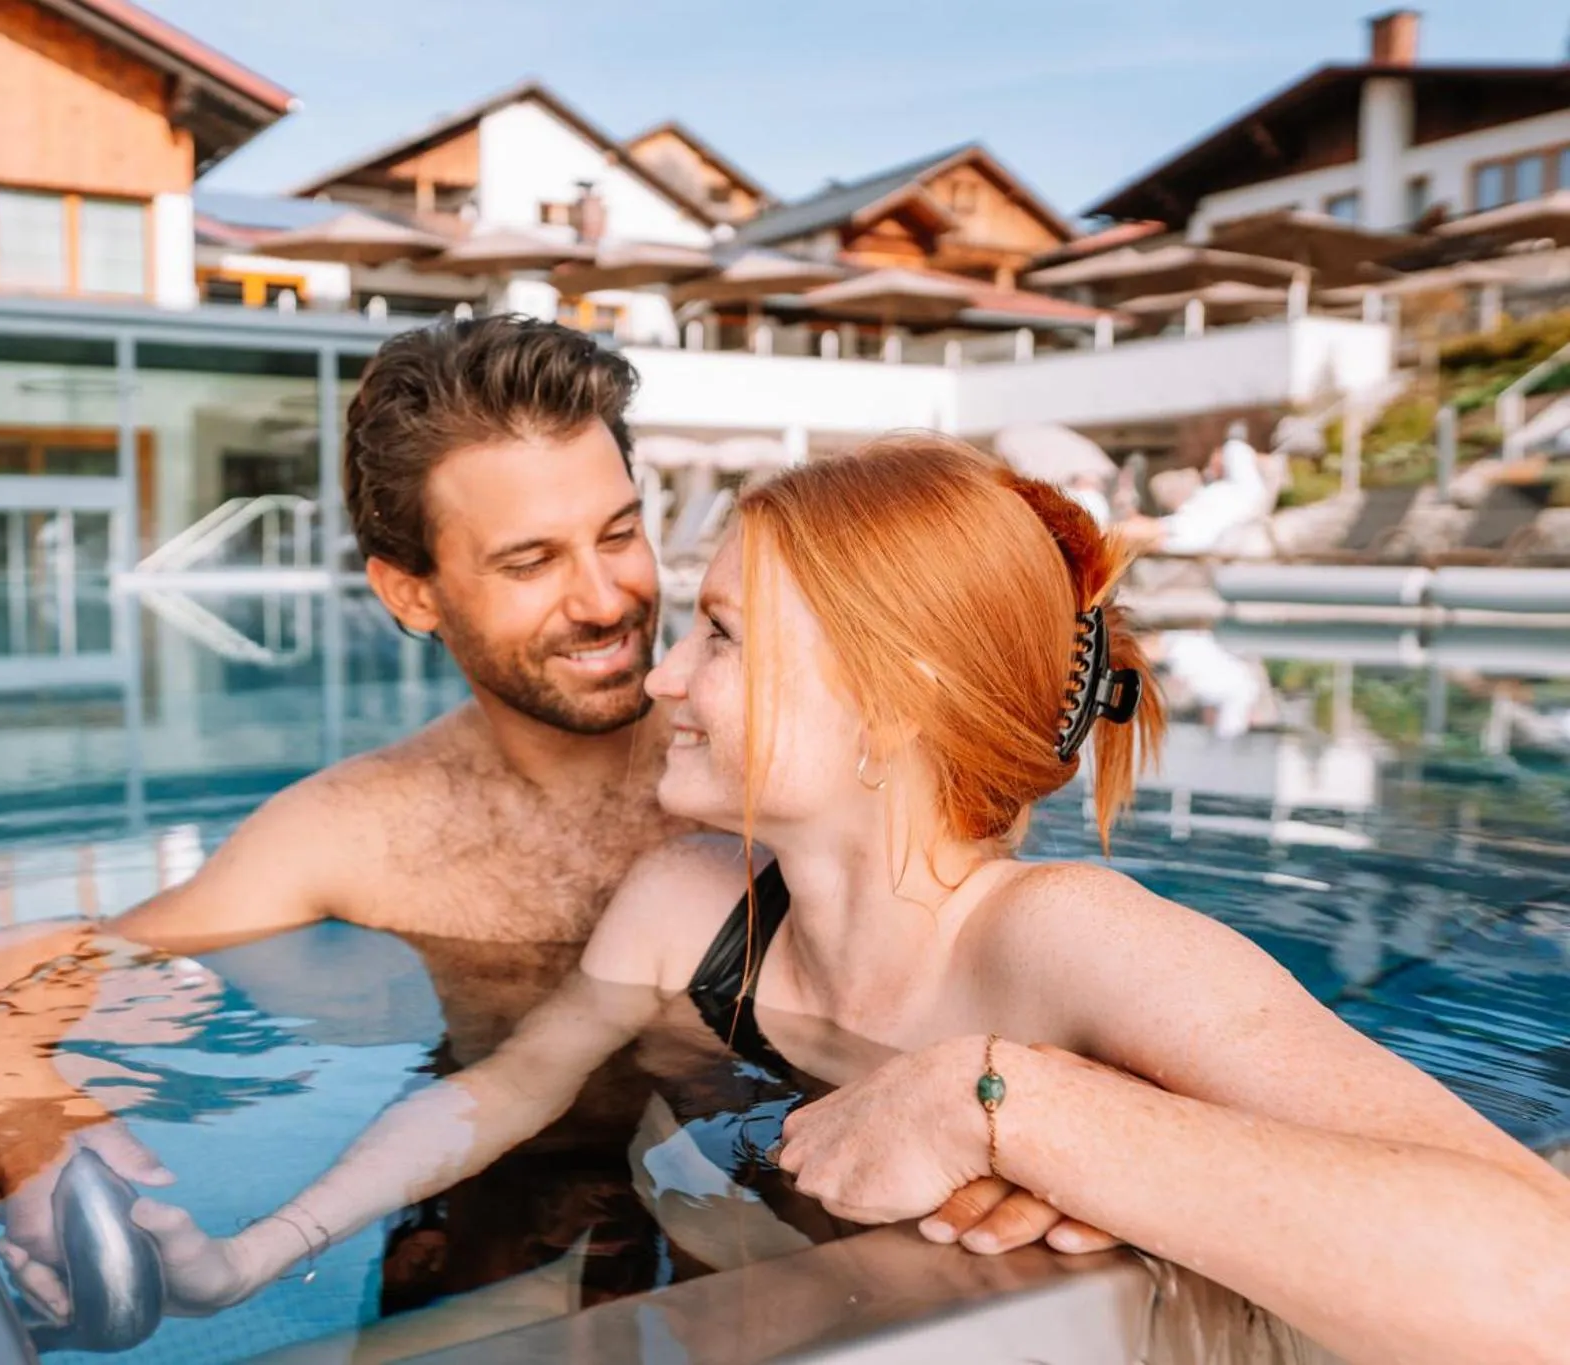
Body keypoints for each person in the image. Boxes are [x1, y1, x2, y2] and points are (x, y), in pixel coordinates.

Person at [123, 437, 1570, 1365]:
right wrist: (260, 1251)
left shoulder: (1065, 942)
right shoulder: (690, 908)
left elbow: (1543, 1278)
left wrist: (1004, 1102)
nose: (663, 675)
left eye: (721, 636)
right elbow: (505, 1090)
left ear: (891, 701)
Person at [0, 321, 1107, 1320]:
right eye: (530, 561)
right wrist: (25, 1139)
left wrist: (1037, 1132)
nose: (604, 599)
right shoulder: (351, 830)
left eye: (618, 532)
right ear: (411, 593)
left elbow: (993, 952)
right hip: (488, 1192)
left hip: (779, 1179)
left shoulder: (798, 761)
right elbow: (14, 983)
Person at [1121, 420, 1273, 556]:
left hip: (1192, 536)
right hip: (1185, 531)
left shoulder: (1247, 487)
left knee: (1132, 534)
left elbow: (1234, 448)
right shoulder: (1237, 490)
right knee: (1135, 531)